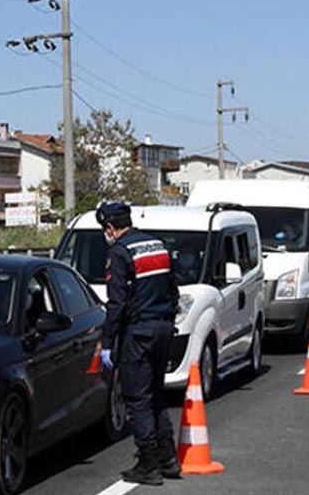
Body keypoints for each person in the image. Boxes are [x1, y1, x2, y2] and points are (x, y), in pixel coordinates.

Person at [96, 201, 180, 486]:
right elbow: (173, 287)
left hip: (139, 332)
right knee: (156, 394)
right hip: (164, 328)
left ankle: (148, 464)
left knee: (138, 400)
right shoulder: (156, 244)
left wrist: (107, 342)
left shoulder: (119, 252)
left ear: (110, 227)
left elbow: (116, 302)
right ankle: (168, 458)